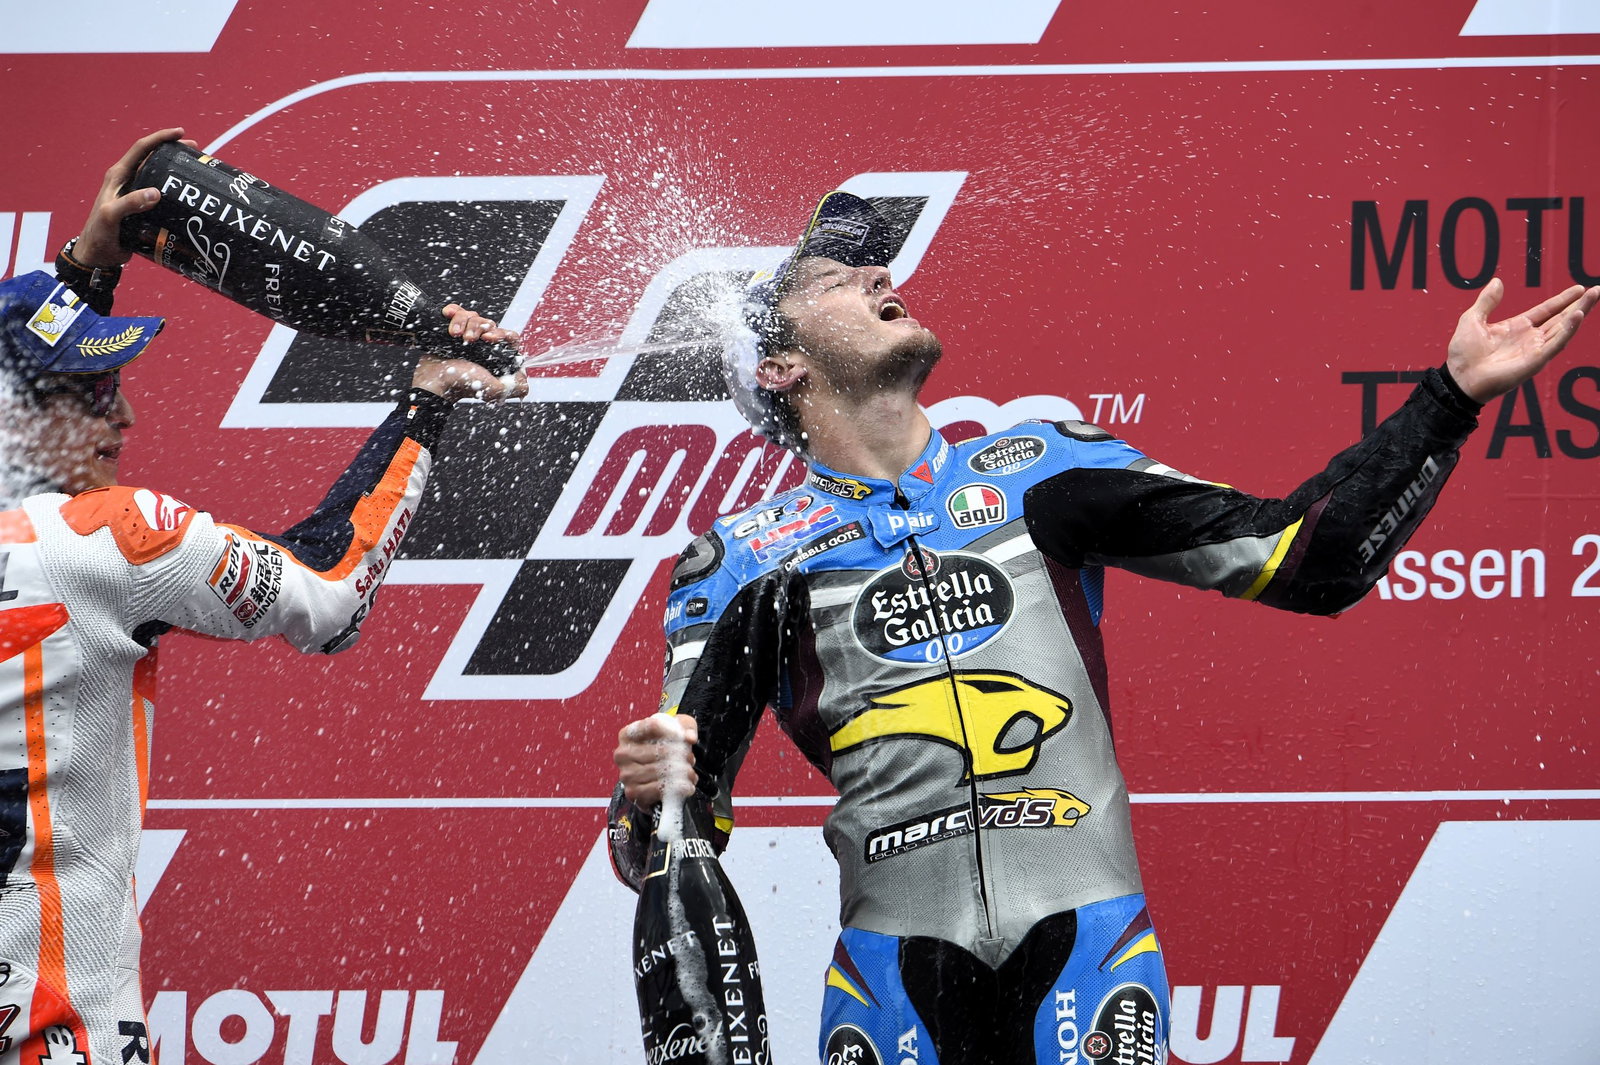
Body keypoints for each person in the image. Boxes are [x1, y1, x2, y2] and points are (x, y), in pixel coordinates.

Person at [608, 191, 1600, 1065]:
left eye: (877, 264)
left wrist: (1448, 398)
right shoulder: (745, 559)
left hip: (1085, 953)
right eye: (835, 277)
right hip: (890, 984)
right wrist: (649, 794)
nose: (878, 273)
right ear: (779, 366)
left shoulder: (1043, 469)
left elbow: (1302, 559)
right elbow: (656, 843)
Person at [0, 129, 524, 1065]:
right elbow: (329, 595)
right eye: (92, 392)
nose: (123, 412)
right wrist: (425, 404)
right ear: (25, 417)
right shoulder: (106, 540)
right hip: (57, 1034)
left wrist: (86, 266)